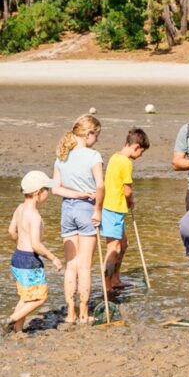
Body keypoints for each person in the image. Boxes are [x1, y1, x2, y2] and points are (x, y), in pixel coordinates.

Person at [52, 114, 104, 325]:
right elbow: (100, 186)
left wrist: (76, 194)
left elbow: (56, 189)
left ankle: (70, 314)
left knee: (70, 265)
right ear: (88, 133)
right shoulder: (93, 156)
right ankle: (83, 313)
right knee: (84, 266)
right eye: (96, 135)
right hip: (86, 210)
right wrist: (98, 210)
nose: (97, 140)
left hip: (67, 209)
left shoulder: (62, 156)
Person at [6, 171, 64, 335]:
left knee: (26, 296)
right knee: (40, 297)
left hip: (17, 258)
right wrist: (53, 258)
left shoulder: (19, 208)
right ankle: (12, 319)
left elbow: (11, 231)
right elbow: (36, 245)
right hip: (30, 261)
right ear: (39, 192)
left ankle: (17, 330)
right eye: (46, 190)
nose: (48, 193)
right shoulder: (35, 216)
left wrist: (19, 244)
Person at [102, 128, 150, 292]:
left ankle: (115, 279)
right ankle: (107, 285)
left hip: (115, 208)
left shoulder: (115, 157)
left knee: (124, 244)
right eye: (141, 152)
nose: (140, 156)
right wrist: (131, 201)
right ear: (136, 146)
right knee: (113, 248)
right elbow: (127, 190)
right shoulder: (126, 162)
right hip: (112, 208)